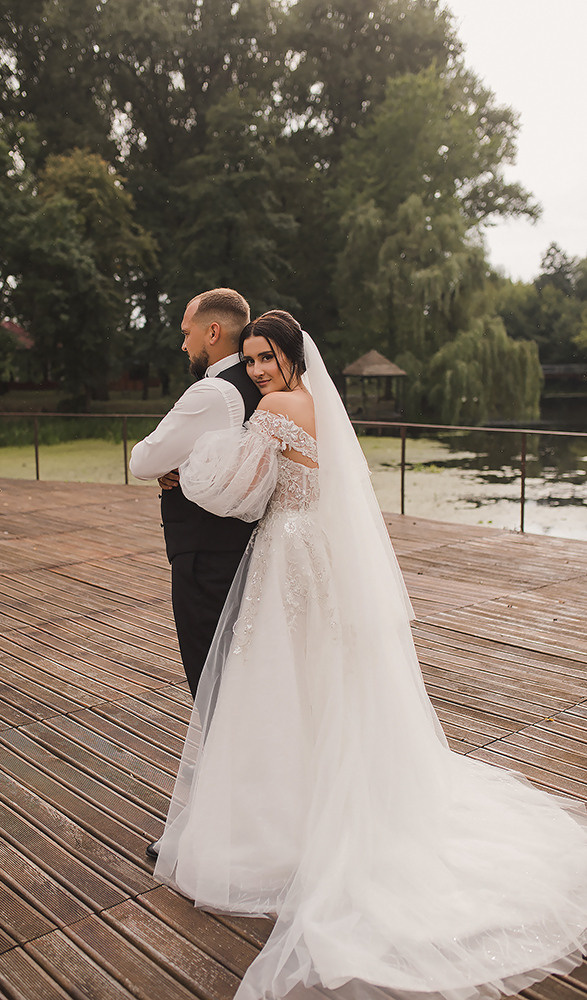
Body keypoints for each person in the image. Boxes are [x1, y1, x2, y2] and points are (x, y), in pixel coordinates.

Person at [154, 310, 587, 1000]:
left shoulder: (273, 408)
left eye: (267, 357)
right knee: (323, 679)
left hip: (287, 553)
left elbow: (233, 491)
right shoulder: (319, 404)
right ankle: (316, 800)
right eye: (253, 359)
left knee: (278, 684)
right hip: (315, 554)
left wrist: (186, 463)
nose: (259, 370)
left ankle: (284, 829)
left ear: (291, 356)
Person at [129, 288, 260, 858]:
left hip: (206, 558)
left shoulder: (211, 393)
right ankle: (241, 815)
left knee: (213, 689)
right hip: (251, 551)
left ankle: (227, 832)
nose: (182, 341)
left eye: (186, 331)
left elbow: (143, 459)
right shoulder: (264, 385)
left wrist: (178, 466)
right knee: (246, 684)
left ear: (213, 333)